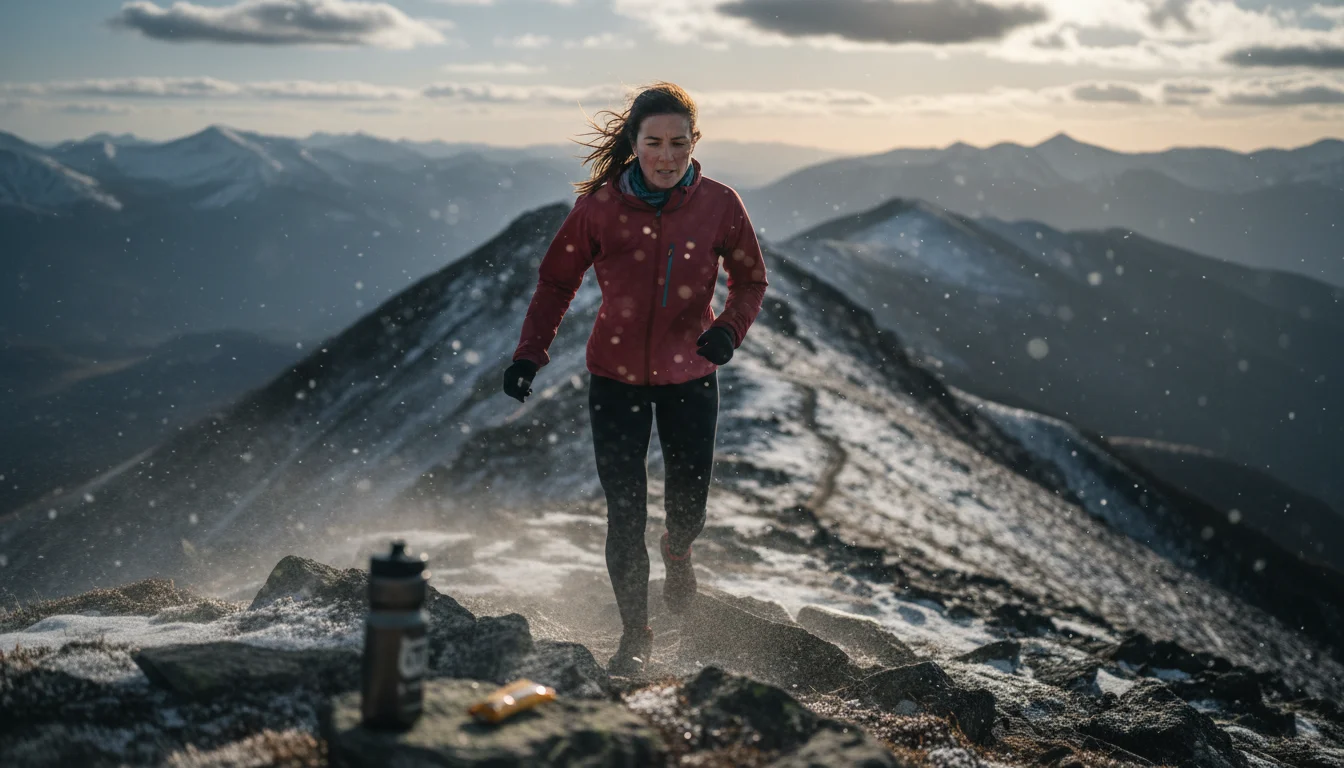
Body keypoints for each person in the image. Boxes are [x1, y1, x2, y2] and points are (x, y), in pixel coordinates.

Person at [501, 81, 769, 675]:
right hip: (615, 378)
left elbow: (751, 280)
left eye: (678, 142)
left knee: (686, 506)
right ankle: (635, 634)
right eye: (654, 142)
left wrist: (728, 330)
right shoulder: (598, 207)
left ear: (695, 142)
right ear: (634, 142)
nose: (667, 155)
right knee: (625, 513)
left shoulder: (721, 204)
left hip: (691, 375)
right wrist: (529, 354)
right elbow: (555, 282)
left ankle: (679, 551)